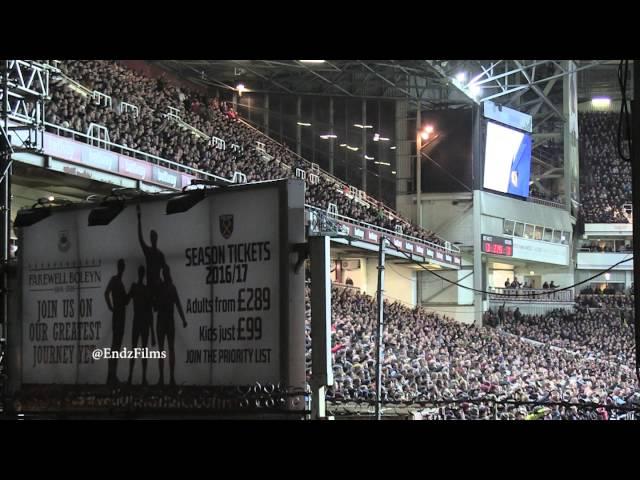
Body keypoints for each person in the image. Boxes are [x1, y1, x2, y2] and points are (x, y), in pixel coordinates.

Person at [156, 265, 188, 386]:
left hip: (164, 320)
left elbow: (177, 304)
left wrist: (183, 319)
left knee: (165, 350)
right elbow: (178, 304)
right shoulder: (169, 288)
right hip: (166, 320)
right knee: (167, 349)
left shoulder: (164, 287)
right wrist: (183, 319)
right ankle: (167, 378)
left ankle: (166, 378)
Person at [127, 265, 156, 385]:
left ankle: (133, 377)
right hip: (141, 321)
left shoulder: (139, 288)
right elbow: (150, 311)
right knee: (138, 350)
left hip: (140, 321)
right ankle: (135, 377)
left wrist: (153, 333)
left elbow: (126, 300)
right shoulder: (142, 289)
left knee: (138, 350)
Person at [104, 259, 129, 385]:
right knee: (115, 346)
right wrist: (110, 307)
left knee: (116, 347)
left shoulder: (119, 282)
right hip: (118, 315)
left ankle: (112, 376)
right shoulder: (115, 280)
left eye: (122, 266)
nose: (121, 268)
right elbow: (106, 293)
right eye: (121, 266)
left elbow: (125, 301)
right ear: (119, 267)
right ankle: (111, 376)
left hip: (120, 315)